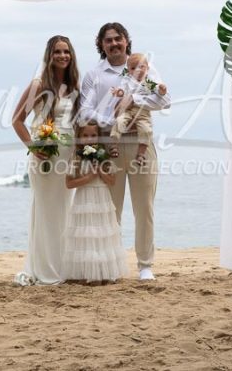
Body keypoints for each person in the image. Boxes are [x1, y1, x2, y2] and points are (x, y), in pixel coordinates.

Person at [79, 23, 170, 281]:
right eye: (108, 41)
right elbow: (84, 111)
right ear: (101, 44)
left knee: (144, 207)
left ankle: (145, 266)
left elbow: (165, 100)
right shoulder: (94, 75)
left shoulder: (144, 67)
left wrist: (133, 103)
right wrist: (112, 119)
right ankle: (113, 264)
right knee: (111, 208)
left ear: (126, 40)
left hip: (141, 143)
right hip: (112, 144)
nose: (114, 44)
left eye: (118, 39)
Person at [12, 35, 80, 285]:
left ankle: (63, 265)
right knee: (45, 211)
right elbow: (17, 120)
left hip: (67, 158)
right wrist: (33, 145)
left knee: (64, 211)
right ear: (49, 56)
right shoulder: (38, 85)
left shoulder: (75, 86)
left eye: (66, 52)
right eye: (57, 52)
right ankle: (43, 269)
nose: (63, 56)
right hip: (45, 159)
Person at [62, 121, 128, 283]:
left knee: (101, 234)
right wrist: (88, 178)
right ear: (79, 137)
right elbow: (69, 184)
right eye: (85, 136)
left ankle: (103, 272)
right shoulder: (76, 157)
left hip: (101, 199)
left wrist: (100, 172)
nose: (89, 139)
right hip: (84, 199)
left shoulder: (103, 156)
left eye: (93, 135)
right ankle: (86, 272)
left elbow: (112, 181)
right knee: (86, 234)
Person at [109, 53, 168, 166]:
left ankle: (141, 154)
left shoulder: (149, 82)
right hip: (128, 109)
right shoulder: (127, 80)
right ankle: (114, 145)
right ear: (129, 71)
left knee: (146, 130)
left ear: (147, 68)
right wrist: (118, 92)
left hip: (143, 111)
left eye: (141, 67)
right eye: (133, 68)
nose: (138, 70)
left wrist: (162, 90)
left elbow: (159, 93)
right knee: (119, 121)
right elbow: (122, 90)